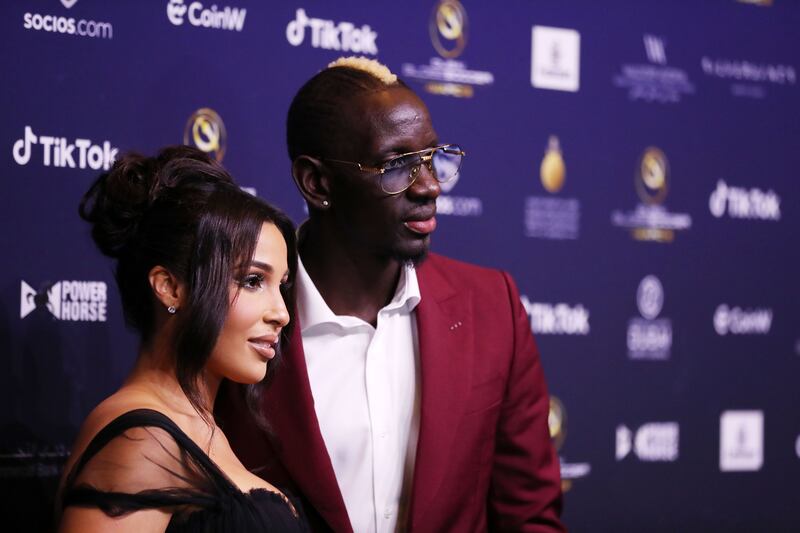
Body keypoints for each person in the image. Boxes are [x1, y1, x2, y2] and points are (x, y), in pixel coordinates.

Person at [218, 57, 565, 532]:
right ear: (317, 183)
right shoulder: (234, 316)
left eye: (433, 158)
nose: (430, 186)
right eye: (397, 165)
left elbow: (530, 518)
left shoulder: (492, 307)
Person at [56, 146, 308, 532]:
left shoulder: (198, 427)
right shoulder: (140, 441)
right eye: (253, 281)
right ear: (170, 288)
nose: (282, 313)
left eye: (281, 285)